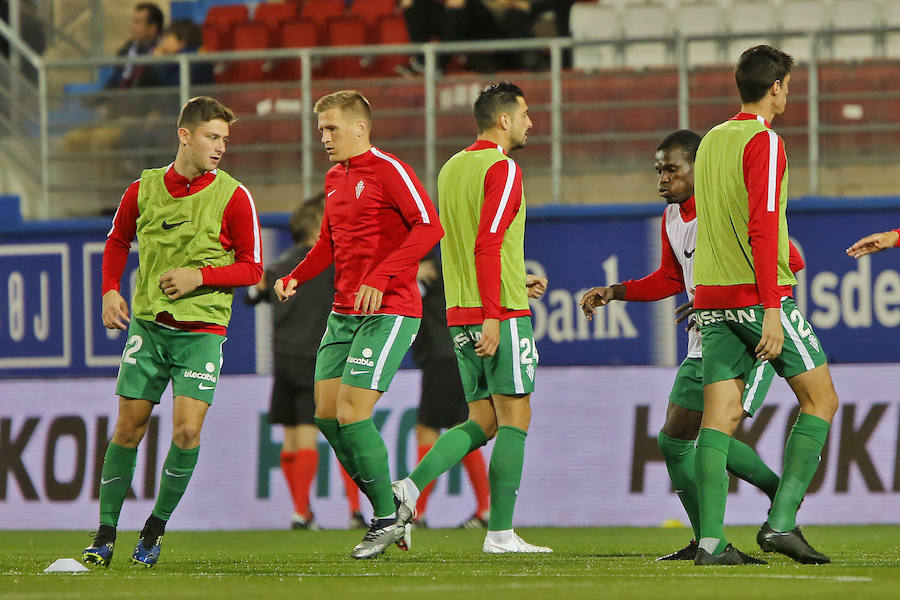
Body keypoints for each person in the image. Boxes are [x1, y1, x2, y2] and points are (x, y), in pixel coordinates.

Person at [579, 129, 804, 562]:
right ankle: (706, 539)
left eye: (671, 169)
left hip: (744, 337)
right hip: (702, 342)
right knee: (672, 439)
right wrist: (615, 291)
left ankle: (780, 498)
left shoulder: (727, 212)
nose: (662, 179)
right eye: (658, 170)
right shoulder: (671, 218)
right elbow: (668, 277)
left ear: (699, 169)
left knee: (709, 439)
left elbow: (791, 259)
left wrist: (719, 292)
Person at [81, 96, 263, 568]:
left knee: (185, 432)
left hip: (201, 332)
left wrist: (199, 277)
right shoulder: (141, 189)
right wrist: (108, 290)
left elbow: (253, 268)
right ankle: (103, 535)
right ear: (185, 135)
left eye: (225, 139)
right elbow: (118, 239)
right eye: (212, 137)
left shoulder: (234, 196)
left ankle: (154, 528)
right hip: (148, 326)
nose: (220, 147)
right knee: (127, 427)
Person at [274, 90, 443, 559]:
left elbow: (429, 226)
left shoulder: (390, 170)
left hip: (390, 309)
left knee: (352, 413)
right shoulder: (333, 178)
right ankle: (391, 508)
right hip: (343, 313)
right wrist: (296, 276)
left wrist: (382, 275)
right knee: (326, 416)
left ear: (360, 128)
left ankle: (387, 518)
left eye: (331, 128)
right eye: (321, 129)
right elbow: (328, 243)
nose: (323, 137)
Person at [691, 45, 839, 565]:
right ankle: (780, 523)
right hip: (757, 296)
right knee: (821, 400)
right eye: (788, 84)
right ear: (775, 86)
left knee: (718, 420)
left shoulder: (710, 140)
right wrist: (773, 308)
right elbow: (762, 225)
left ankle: (710, 543)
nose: (789, 92)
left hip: (712, 297)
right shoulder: (765, 141)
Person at [392, 82, 551, 554]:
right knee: (515, 417)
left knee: (483, 420)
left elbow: (462, 245)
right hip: (492, 314)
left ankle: (409, 488)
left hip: (458, 311)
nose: (530, 122)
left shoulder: (450, 168)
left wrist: (511, 280)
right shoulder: (501, 168)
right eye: (524, 114)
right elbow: (487, 242)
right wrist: (495, 312)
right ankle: (500, 533)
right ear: (503, 120)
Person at [410, 253, 490, 529]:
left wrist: (409, 271)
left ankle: (417, 513)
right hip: (459, 351)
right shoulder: (455, 254)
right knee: (463, 428)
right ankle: (484, 510)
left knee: (429, 430)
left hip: (441, 356)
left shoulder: (430, 257)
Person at [105, 3, 164, 90]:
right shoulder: (126, 50)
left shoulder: (166, 51)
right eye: (133, 22)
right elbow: (115, 80)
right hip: (125, 100)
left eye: (138, 22)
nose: (132, 27)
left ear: (153, 27)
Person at [149, 19, 214, 87]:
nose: (163, 41)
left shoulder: (193, 60)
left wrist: (159, 62)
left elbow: (174, 86)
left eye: (167, 37)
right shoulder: (191, 56)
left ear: (182, 41)